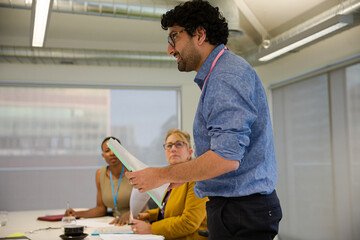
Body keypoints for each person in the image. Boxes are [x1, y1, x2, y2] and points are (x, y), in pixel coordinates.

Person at [126, 0, 282, 239]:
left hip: (241, 211)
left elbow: (225, 159)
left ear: (199, 34)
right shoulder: (219, 75)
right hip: (236, 208)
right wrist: (185, 176)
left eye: (174, 37)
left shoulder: (225, 76)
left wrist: (161, 175)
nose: (170, 49)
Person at [130, 129, 208, 240]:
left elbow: (189, 222)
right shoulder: (171, 177)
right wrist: (148, 215)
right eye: (169, 146)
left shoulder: (196, 179)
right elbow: (169, 209)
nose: (173, 149)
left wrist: (151, 229)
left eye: (179, 144)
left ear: (190, 153)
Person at [65, 136, 132, 225]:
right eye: (107, 151)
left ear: (121, 151)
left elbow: (144, 206)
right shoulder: (100, 174)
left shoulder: (134, 171)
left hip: (137, 222)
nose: (112, 153)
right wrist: (76, 213)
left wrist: (130, 214)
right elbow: (100, 209)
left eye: (115, 149)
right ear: (103, 155)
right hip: (116, 224)